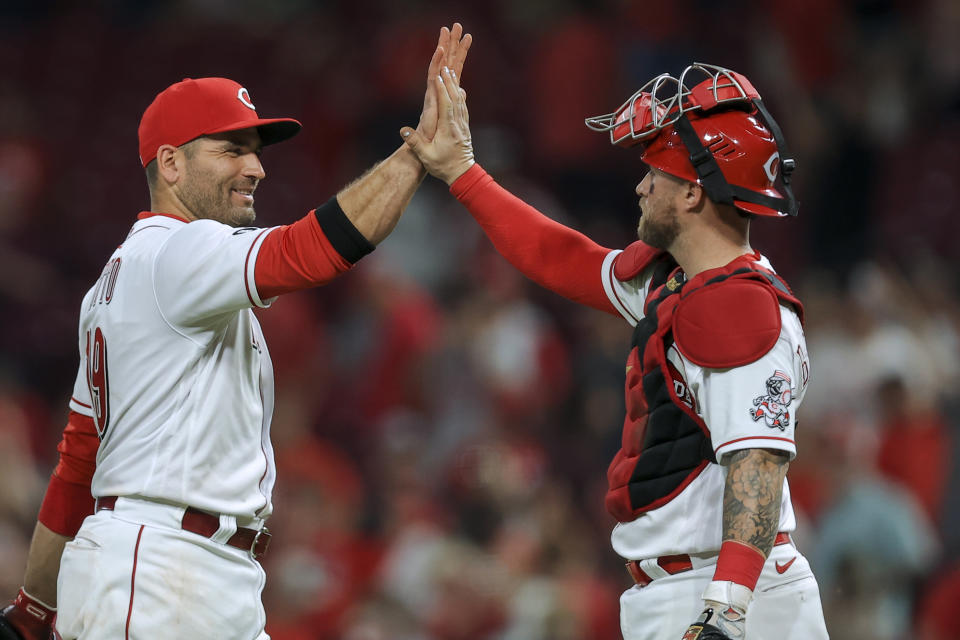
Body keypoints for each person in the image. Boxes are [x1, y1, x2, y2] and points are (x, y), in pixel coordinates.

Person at [0, 23, 472, 640]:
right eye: (230, 149)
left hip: (188, 570)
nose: (256, 168)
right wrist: (416, 155)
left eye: (255, 150)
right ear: (169, 162)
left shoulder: (116, 284)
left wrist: (34, 610)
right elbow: (313, 251)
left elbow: (78, 466)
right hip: (162, 571)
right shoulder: (182, 250)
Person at [400, 63, 830, 639]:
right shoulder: (684, 285)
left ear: (694, 193)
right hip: (694, 589)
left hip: (724, 596)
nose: (641, 186)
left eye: (655, 171)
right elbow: (560, 257)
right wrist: (461, 171)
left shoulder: (735, 306)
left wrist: (725, 612)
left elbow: (758, 465)